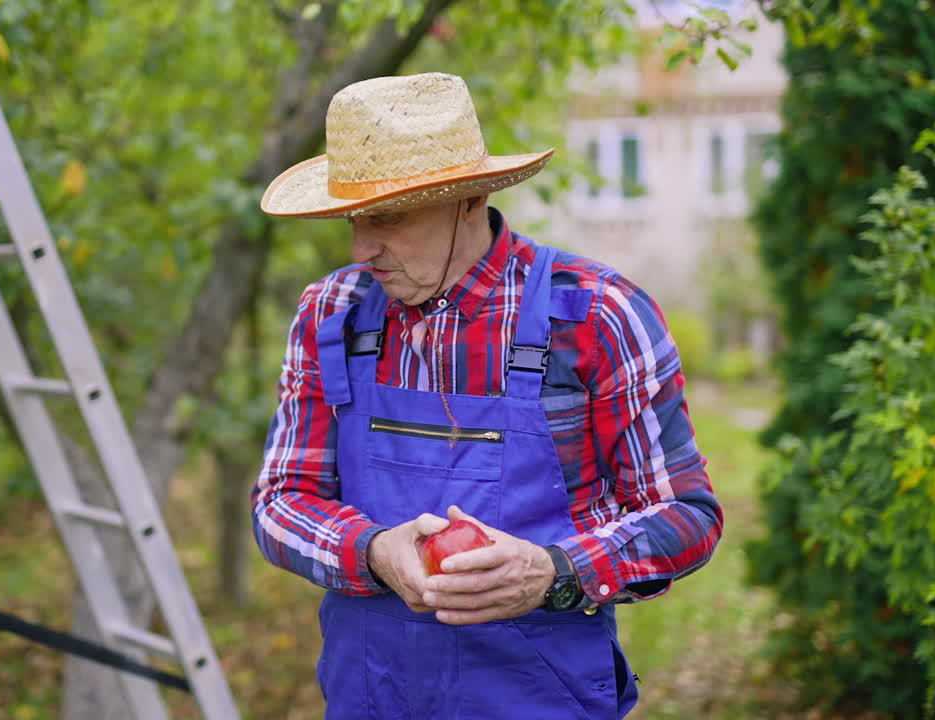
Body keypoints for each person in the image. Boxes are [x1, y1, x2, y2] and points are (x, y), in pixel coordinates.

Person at [251, 72, 723, 719]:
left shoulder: (592, 317)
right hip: (372, 697)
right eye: (353, 219)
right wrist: (372, 551)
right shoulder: (331, 313)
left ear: (469, 200)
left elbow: (686, 516)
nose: (362, 247)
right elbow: (281, 501)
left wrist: (555, 572)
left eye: (387, 217)